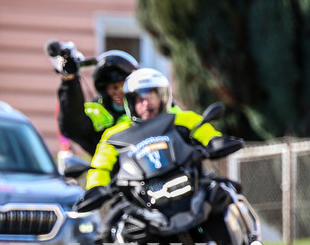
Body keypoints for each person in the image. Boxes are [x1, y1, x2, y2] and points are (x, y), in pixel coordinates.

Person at [85, 67, 231, 192]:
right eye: (140, 100)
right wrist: (95, 189)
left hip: (190, 183)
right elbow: (100, 167)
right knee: (111, 224)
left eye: (151, 97)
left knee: (226, 193)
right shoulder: (115, 135)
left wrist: (216, 142)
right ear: (130, 103)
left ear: (163, 97)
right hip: (140, 196)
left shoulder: (184, 119)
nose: (146, 104)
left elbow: (206, 133)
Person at [57, 48, 138, 156]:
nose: (118, 92)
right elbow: (73, 123)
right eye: (113, 88)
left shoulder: (149, 109)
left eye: (122, 86)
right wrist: (70, 81)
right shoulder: (96, 113)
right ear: (103, 90)